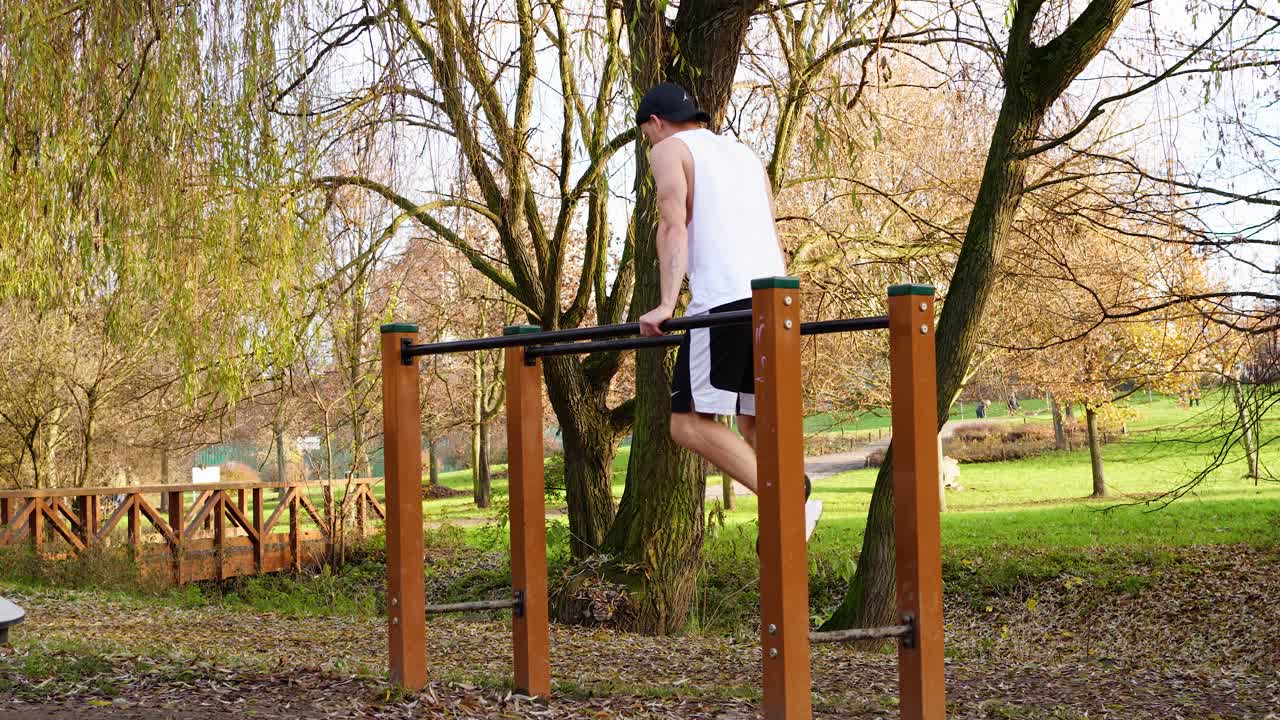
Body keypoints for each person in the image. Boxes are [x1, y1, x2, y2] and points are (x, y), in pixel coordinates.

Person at [633, 82, 822, 541]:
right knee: (755, 423)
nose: (649, 147)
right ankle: (795, 498)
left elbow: (672, 223)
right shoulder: (746, 156)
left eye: (646, 137)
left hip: (723, 303)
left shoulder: (670, 149)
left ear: (655, 123)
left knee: (688, 424)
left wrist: (664, 304)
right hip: (775, 299)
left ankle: (791, 504)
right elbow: (770, 233)